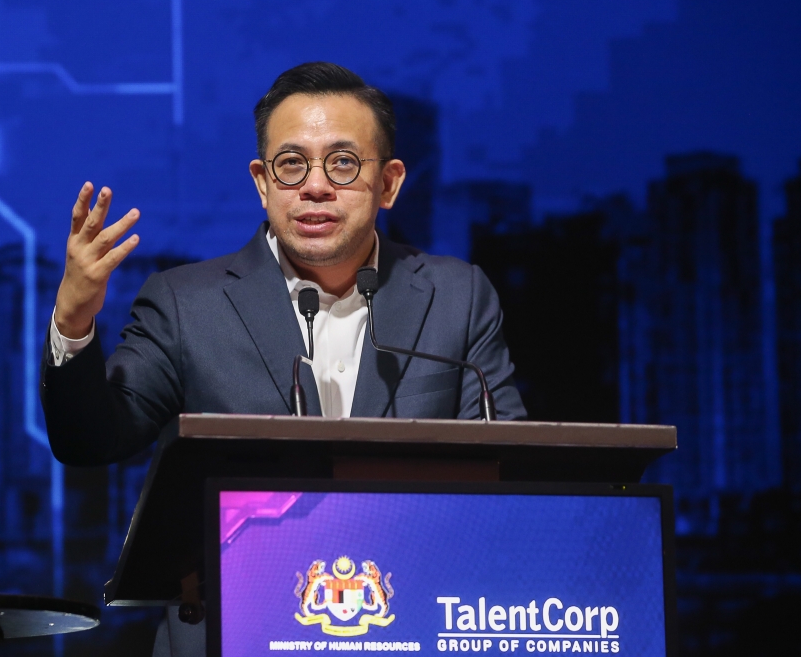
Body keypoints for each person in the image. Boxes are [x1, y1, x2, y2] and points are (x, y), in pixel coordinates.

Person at [40, 61, 526, 654]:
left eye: (342, 163)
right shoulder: (186, 304)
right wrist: (73, 322)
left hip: (413, 630)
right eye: (291, 164)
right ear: (262, 182)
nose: (314, 186)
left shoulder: (456, 297)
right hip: (232, 632)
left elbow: (512, 478)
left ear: (390, 183)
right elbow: (90, 440)